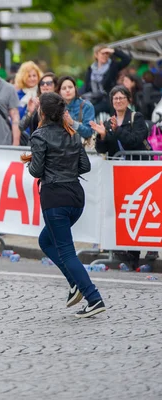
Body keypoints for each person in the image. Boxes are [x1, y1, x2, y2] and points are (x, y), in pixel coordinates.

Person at [23, 92, 106, 318]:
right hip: (75, 197)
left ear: (43, 112)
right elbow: (85, 166)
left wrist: (31, 161)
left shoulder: (39, 135)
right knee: (45, 241)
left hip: (54, 198)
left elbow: (37, 171)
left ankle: (94, 297)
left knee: (66, 251)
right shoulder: (71, 133)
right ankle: (75, 283)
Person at [91, 85, 155, 267]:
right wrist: (102, 136)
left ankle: (136, 255)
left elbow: (135, 141)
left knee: (135, 211)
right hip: (117, 173)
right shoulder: (108, 122)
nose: (118, 101)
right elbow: (101, 149)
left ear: (128, 100)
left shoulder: (137, 118)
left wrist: (117, 130)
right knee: (118, 211)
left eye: (121, 98)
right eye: (115, 98)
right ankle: (123, 254)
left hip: (137, 172)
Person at [83, 45, 132, 117]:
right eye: (103, 53)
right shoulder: (91, 69)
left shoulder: (112, 66)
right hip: (94, 99)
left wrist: (113, 51)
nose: (105, 55)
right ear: (96, 55)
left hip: (108, 99)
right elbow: (87, 87)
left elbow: (127, 59)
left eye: (107, 53)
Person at [56, 76, 95, 140]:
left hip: (81, 147)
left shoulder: (87, 106)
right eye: (64, 88)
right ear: (59, 92)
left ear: (75, 88)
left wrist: (72, 123)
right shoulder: (56, 107)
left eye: (70, 87)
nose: (67, 90)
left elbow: (89, 132)